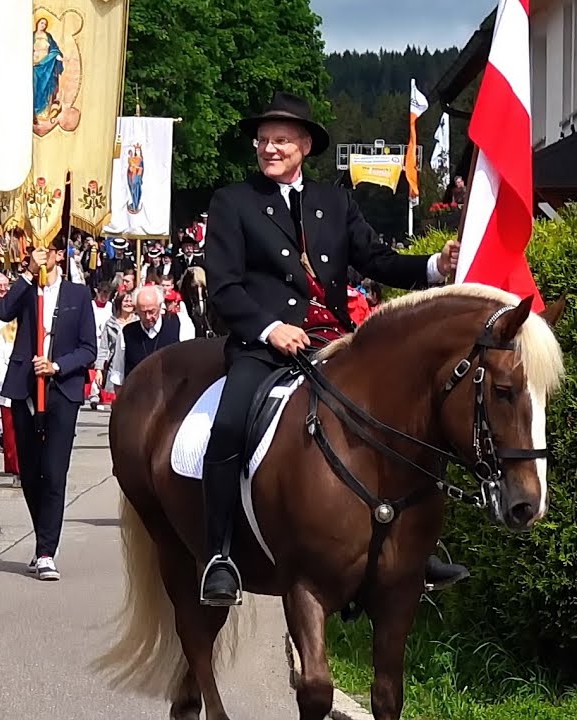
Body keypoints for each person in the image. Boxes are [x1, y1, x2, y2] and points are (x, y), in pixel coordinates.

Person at [198, 91, 465, 606]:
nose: (269, 149)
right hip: (265, 346)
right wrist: (269, 327)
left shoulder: (334, 200)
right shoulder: (233, 202)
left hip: (336, 341)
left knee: (409, 417)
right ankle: (219, 554)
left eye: (280, 140)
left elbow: (378, 261)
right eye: (263, 140)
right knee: (229, 422)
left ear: (304, 145)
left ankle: (417, 548)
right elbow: (225, 286)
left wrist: (435, 266)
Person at [0, 235, 97, 581]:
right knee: (29, 473)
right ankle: (43, 535)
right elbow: (3, 311)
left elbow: (88, 349)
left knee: (54, 472)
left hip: (61, 390)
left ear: (57, 254)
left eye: (45, 250)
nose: (40, 255)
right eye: (35, 250)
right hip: (24, 389)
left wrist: (57, 366)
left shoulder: (77, 295)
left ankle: (45, 550)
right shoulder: (26, 290)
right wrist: (27, 273)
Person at [107, 284, 192, 393]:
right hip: (138, 401)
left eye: (152, 311)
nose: (147, 317)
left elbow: (189, 369)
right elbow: (118, 377)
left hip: (172, 400)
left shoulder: (180, 325)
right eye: (142, 312)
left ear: (160, 306)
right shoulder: (126, 333)